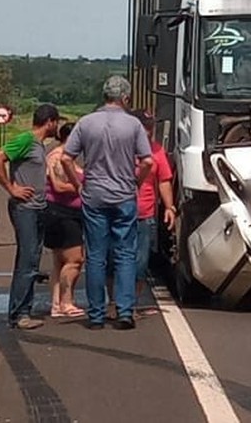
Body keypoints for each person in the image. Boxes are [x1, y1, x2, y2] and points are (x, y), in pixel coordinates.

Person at [61, 76, 153, 330]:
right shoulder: (133, 125)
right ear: (125, 98)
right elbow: (147, 161)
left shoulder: (86, 122)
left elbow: (67, 158)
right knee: (125, 254)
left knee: (96, 256)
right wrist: (135, 182)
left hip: (94, 195)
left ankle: (97, 314)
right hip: (123, 195)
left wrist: (78, 185)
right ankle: (124, 311)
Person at [0, 104, 60, 330]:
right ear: (49, 122)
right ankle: (19, 313)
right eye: (56, 122)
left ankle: (24, 309)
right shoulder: (26, 140)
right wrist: (11, 188)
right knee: (27, 260)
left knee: (33, 258)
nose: (57, 126)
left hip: (37, 207)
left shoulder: (38, 145)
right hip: (25, 208)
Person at [105, 109, 176, 319]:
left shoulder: (157, 151)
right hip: (116, 211)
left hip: (144, 215)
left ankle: (130, 304)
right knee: (112, 259)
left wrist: (169, 207)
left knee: (140, 263)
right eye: (143, 126)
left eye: (150, 127)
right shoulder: (117, 149)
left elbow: (163, 180)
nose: (147, 131)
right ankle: (113, 302)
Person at [45, 121, 86, 319]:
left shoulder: (67, 157)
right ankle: (65, 302)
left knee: (60, 262)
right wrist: (81, 187)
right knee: (74, 259)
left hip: (66, 213)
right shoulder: (58, 157)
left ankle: (56, 304)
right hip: (62, 214)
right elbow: (59, 187)